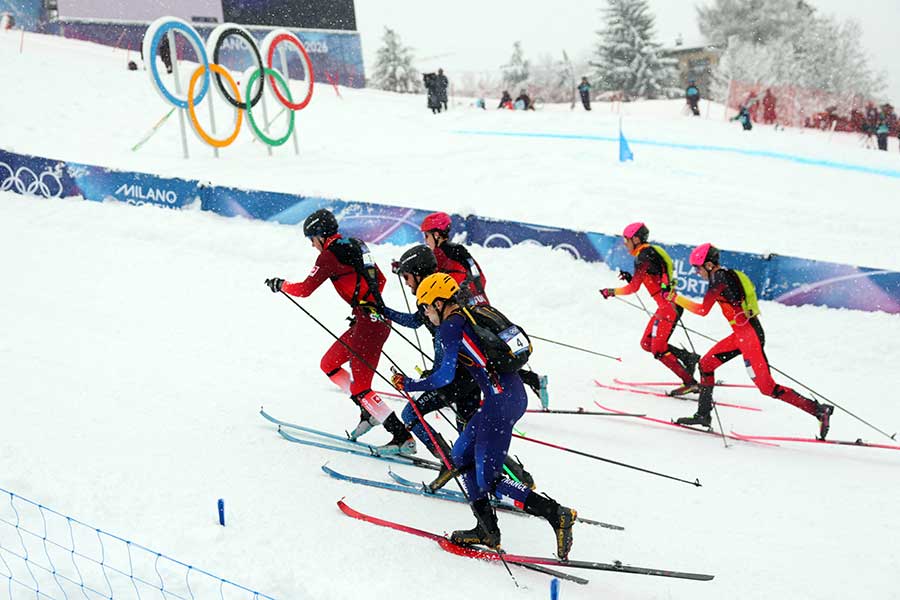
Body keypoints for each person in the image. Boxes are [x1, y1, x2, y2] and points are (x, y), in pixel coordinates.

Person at [391, 274, 576, 558]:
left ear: (439, 303)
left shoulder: (450, 327)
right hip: (507, 397)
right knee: (460, 455)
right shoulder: (470, 314)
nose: (425, 314)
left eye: (426, 307)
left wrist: (409, 384)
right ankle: (486, 530)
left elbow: (444, 376)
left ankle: (555, 513)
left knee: (488, 478)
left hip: (499, 403)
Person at [381, 245, 533, 489]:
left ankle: (449, 462)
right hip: (471, 377)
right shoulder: (444, 293)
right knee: (471, 431)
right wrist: (384, 311)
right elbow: (417, 322)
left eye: (407, 277)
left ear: (418, 273)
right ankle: (518, 479)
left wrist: (419, 380)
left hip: (456, 378)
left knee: (411, 413)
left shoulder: (433, 300)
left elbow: (442, 347)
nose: (407, 284)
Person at [265, 209, 415, 454]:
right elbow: (381, 279)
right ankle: (368, 410)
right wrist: (364, 305)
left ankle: (402, 437)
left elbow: (304, 289)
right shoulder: (356, 244)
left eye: (312, 239)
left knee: (361, 388)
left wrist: (281, 284)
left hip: (369, 326)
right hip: (370, 320)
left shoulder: (328, 256)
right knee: (329, 364)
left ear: (320, 235)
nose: (312, 245)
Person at [670, 244, 835, 439]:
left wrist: (675, 297)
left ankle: (818, 410)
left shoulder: (718, 279)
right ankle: (703, 415)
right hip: (741, 335)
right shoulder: (724, 275)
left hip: (749, 337)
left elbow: (702, 310)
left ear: (708, 265)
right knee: (706, 364)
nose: (696, 273)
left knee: (767, 388)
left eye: (697, 268)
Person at [599, 223, 699, 396]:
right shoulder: (648, 253)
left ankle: (690, 382)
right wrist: (632, 277)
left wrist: (611, 292)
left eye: (627, 239)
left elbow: (633, 289)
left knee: (658, 350)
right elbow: (654, 276)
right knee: (647, 343)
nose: (625, 243)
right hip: (667, 307)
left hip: (669, 309)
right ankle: (688, 358)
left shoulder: (643, 256)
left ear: (636, 239)